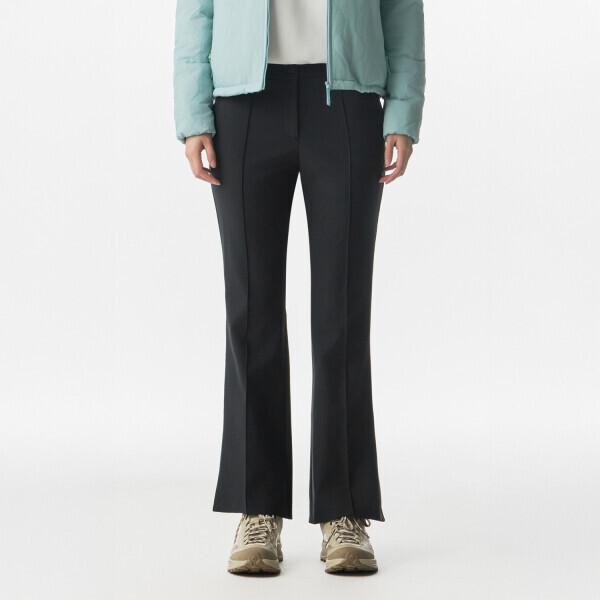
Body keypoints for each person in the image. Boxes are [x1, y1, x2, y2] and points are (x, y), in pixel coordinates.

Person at [174, 0, 425, 575]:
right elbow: (197, 10)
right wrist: (193, 112)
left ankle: (345, 510)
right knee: (251, 312)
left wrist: (403, 108)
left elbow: (402, 10)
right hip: (242, 103)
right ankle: (257, 508)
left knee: (342, 314)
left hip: (348, 100)